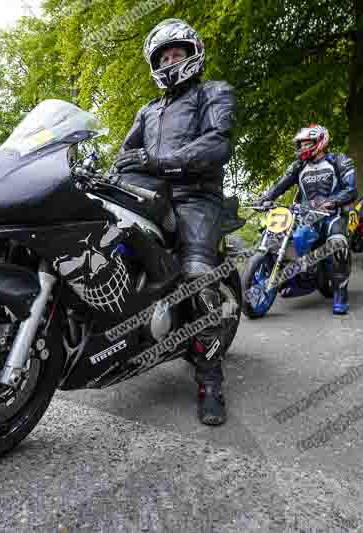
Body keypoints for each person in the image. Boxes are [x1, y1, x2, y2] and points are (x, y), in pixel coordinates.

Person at [113, 18, 236, 426]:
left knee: (197, 277)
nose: (169, 61)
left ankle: (210, 380)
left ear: (192, 54)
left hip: (196, 197)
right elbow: (125, 155)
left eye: (176, 53)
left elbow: (218, 141)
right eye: (163, 56)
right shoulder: (147, 110)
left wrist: (160, 162)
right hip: (149, 197)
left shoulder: (212, 92)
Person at [254, 124, 357, 315]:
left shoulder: (339, 160)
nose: (302, 148)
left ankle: (340, 296)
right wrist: (264, 199)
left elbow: (351, 190)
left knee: (337, 243)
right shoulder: (298, 166)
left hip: (331, 215)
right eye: (300, 145)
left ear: (320, 142)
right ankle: (291, 274)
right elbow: (279, 186)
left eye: (306, 144)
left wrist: (333, 202)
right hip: (305, 215)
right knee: (276, 234)